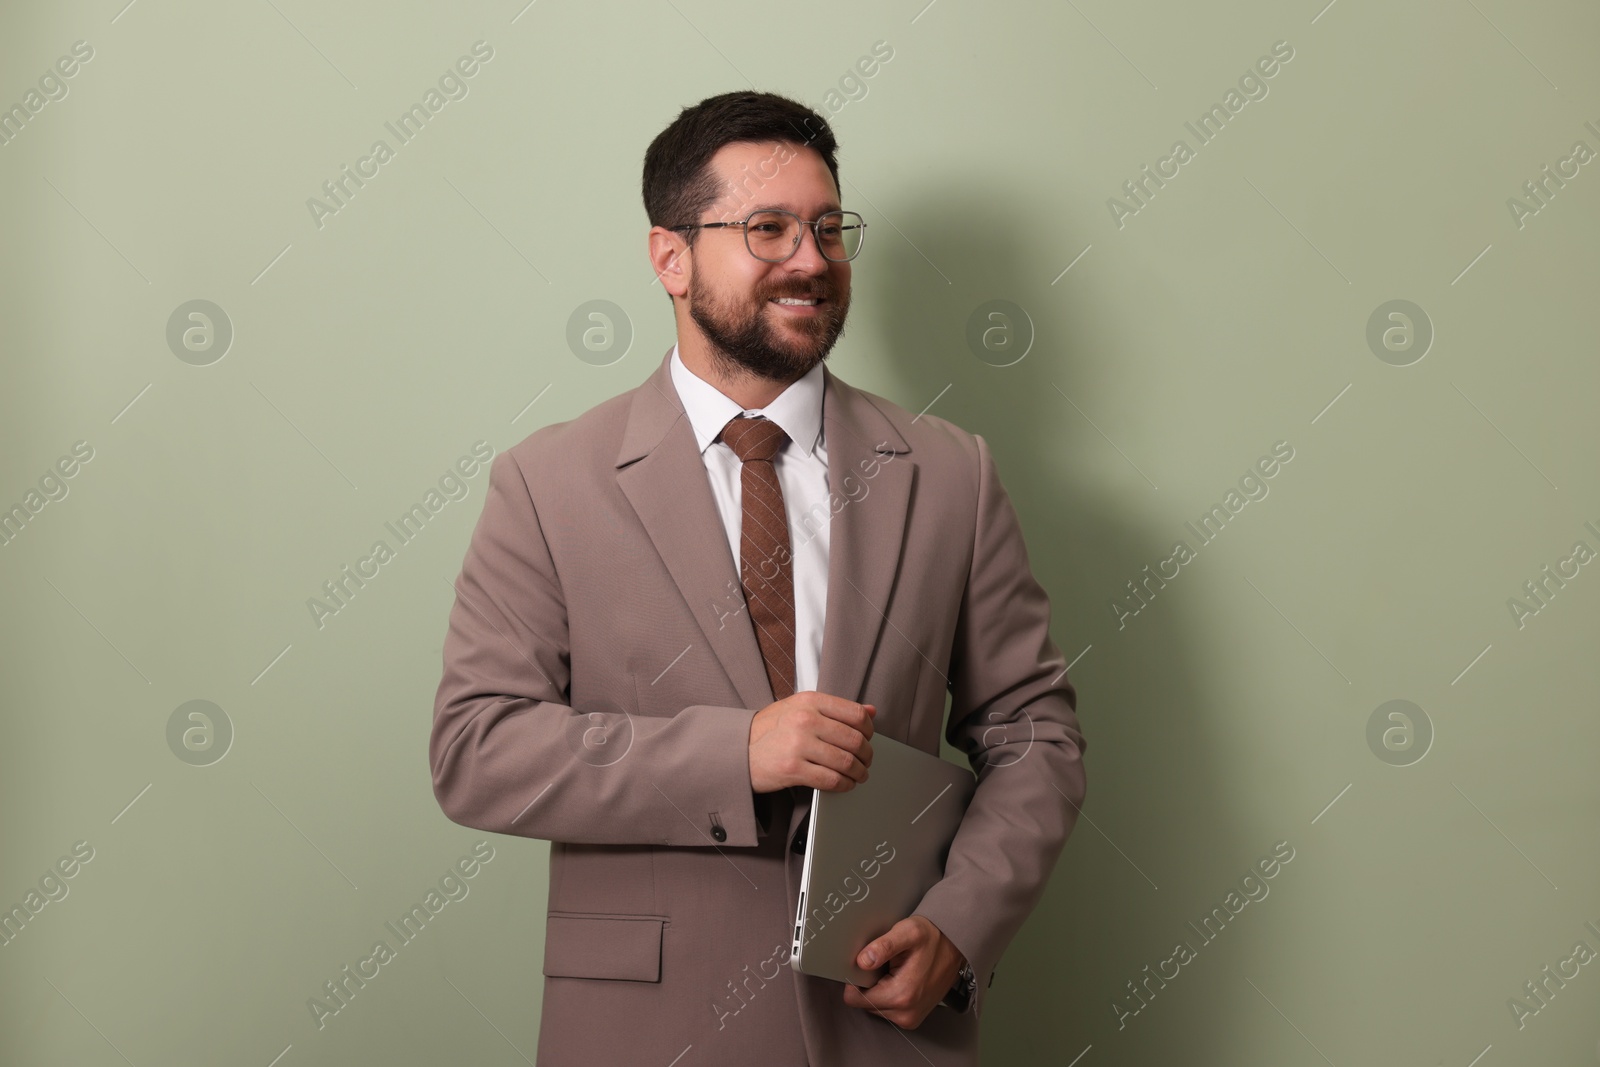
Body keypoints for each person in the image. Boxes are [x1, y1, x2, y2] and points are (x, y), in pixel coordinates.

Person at [430, 89, 1087, 1066]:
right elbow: (476, 749)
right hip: (644, 1031)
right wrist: (733, 752)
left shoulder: (953, 471)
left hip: (886, 1027)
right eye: (768, 229)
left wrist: (959, 924)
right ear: (670, 256)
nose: (812, 260)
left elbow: (1034, 733)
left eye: (828, 229)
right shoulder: (547, 483)